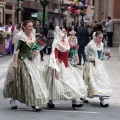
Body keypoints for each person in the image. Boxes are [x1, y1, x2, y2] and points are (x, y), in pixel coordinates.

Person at [3, 20, 48, 111]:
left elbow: (34, 46)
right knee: (20, 83)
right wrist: (15, 64)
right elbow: (16, 51)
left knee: (32, 82)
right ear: (24, 27)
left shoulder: (32, 34)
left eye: (32, 26)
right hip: (21, 61)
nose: (31, 28)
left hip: (31, 61)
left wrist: (37, 51)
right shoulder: (20, 36)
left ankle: (34, 102)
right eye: (29, 26)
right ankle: (14, 100)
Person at [43, 26, 87, 109]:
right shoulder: (57, 43)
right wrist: (56, 69)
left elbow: (68, 54)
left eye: (65, 31)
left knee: (72, 82)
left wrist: (74, 55)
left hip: (67, 65)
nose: (65, 33)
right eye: (63, 31)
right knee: (55, 84)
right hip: (59, 65)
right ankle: (50, 101)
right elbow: (55, 57)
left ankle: (74, 101)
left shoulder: (66, 42)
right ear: (59, 33)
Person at [83, 31, 112, 107]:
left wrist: (106, 55)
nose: (101, 39)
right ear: (95, 37)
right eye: (99, 38)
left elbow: (101, 55)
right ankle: (83, 96)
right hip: (91, 65)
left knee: (102, 81)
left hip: (99, 65)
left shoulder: (102, 44)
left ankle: (102, 99)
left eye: (102, 38)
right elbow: (87, 57)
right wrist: (95, 59)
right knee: (89, 82)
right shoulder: (90, 45)